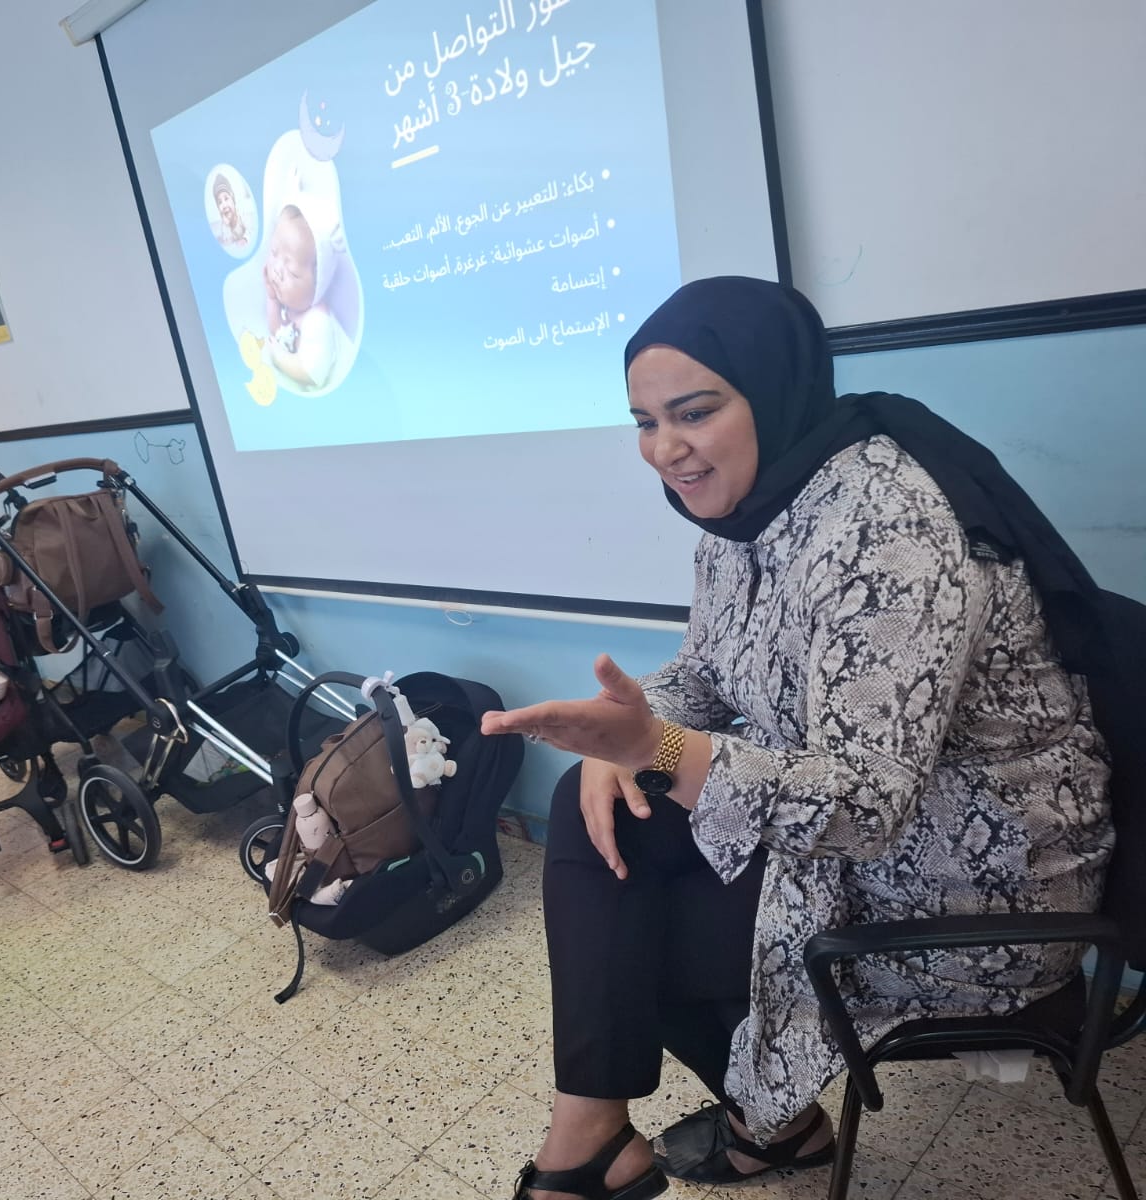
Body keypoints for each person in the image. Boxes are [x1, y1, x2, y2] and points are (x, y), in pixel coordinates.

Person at [481, 276, 1113, 1199]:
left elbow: (866, 807)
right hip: (862, 845)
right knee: (596, 814)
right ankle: (594, 1134)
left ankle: (754, 1134)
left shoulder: (890, 530)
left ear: (773, 390)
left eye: (694, 412)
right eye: (646, 422)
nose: (665, 449)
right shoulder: (750, 510)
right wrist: (628, 728)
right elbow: (710, 672)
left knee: (631, 937)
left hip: (977, 884)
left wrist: (656, 749)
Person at [262, 196, 343, 391]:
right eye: (274, 252)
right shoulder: (292, 303)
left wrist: (279, 358)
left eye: (292, 272)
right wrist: (272, 299)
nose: (277, 270)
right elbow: (278, 332)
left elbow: (313, 374)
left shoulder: (317, 320)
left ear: (318, 286)